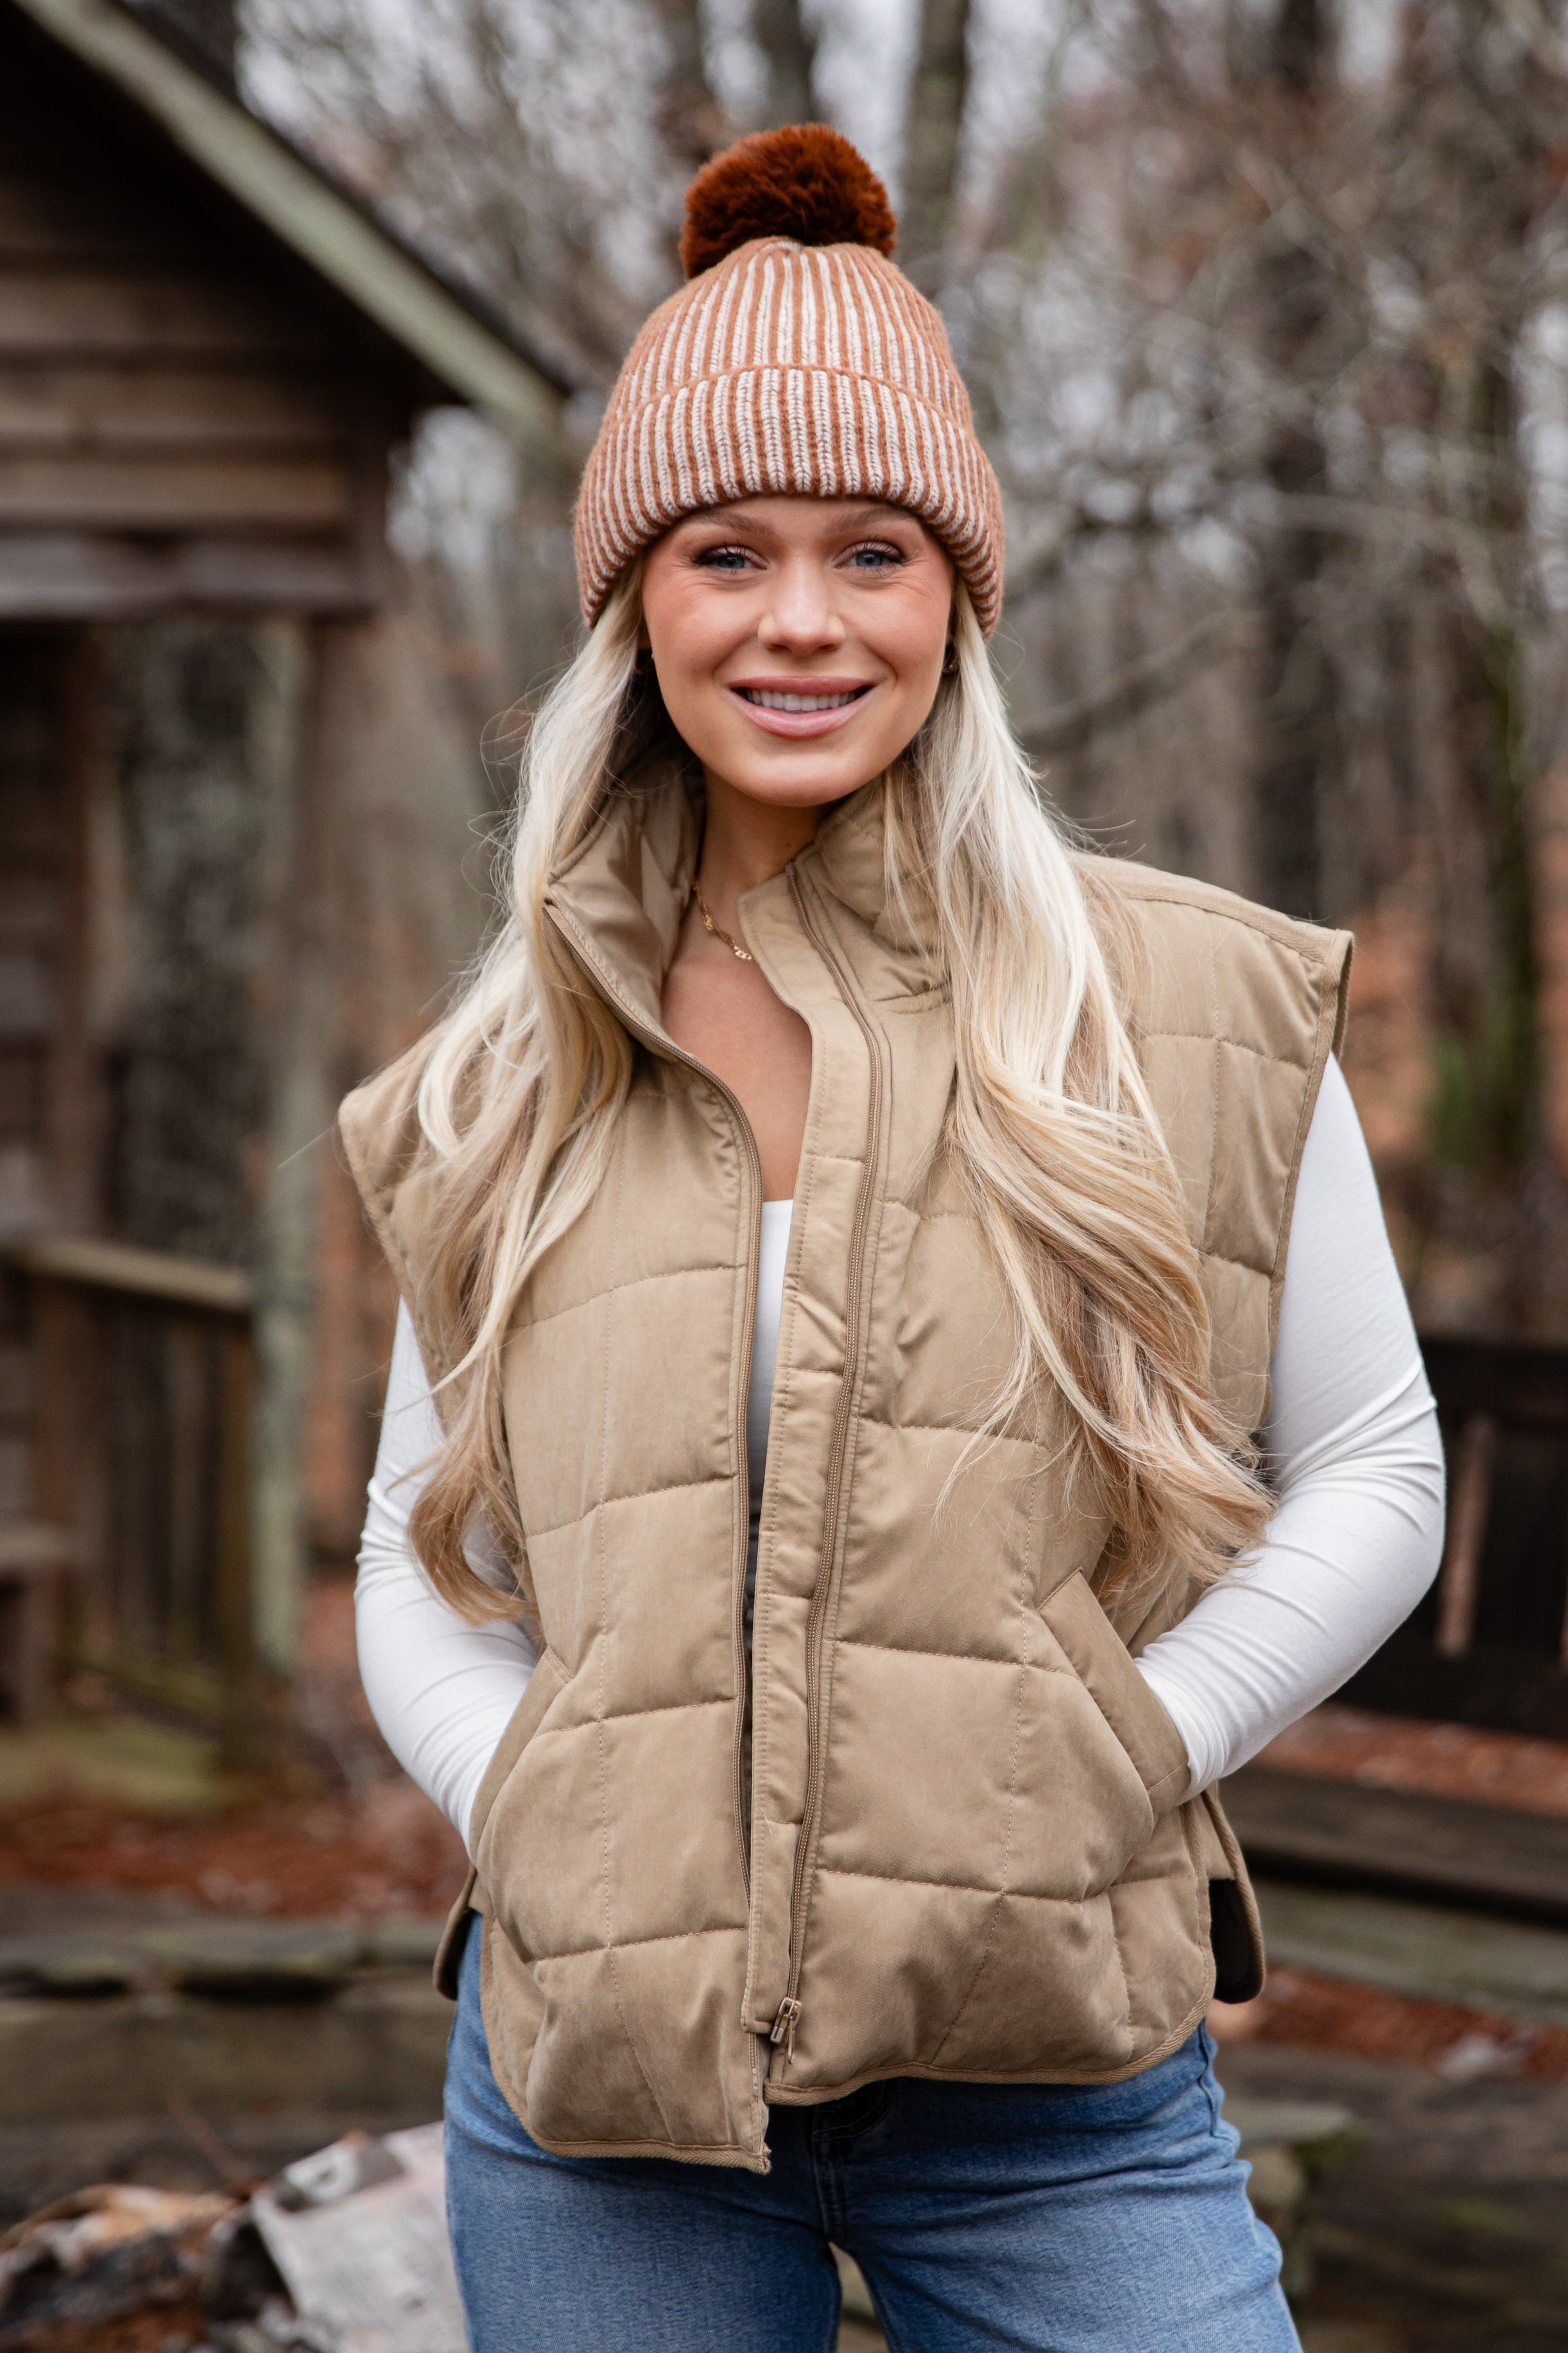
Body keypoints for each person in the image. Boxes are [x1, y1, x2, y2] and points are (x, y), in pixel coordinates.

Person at [345, 125, 1445, 2353]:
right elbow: (407, 1546)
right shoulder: (506, 1066)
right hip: (593, 2096)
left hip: (1057, 2085)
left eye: (872, 548)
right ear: (631, 599)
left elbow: (1380, 1471)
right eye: (725, 549)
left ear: (958, 589)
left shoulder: (1199, 1007)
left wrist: (1125, 1747)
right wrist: (528, 1794)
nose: (801, 621)